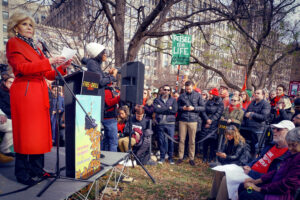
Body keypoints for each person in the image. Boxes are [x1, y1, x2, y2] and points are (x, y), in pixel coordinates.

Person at [6, 12, 72, 185]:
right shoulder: (14, 43)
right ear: (15, 27)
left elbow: (47, 72)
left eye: (31, 25)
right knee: (25, 134)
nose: (29, 28)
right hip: (26, 91)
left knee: (39, 134)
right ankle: (22, 173)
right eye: (25, 24)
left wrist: (62, 67)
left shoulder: (36, 47)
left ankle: (37, 168)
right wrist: (50, 60)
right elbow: (22, 67)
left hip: (39, 91)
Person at [208, 120, 294, 200]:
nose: (274, 131)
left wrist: (250, 172)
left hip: (257, 177)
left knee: (225, 179)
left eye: (279, 129)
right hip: (249, 169)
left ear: (289, 133)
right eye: (274, 128)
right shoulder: (271, 145)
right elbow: (258, 159)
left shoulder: (288, 154)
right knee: (219, 172)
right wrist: (248, 166)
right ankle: (212, 197)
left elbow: (272, 175)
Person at [238, 127, 300, 200]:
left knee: (247, 194)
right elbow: (277, 172)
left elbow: (287, 185)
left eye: (294, 145)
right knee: (243, 186)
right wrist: (256, 181)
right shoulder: (292, 154)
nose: (290, 148)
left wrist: (259, 189)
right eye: (289, 145)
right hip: (272, 186)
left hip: (280, 194)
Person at [85, 42, 118, 121]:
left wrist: (108, 75)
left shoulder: (95, 64)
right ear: (98, 54)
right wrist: (112, 77)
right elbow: (100, 82)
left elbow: (99, 78)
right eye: (104, 53)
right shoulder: (92, 64)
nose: (105, 54)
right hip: (95, 101)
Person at [177, 81, 205, 166]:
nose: (188, 90)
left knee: (192, 141)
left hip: (193, 120)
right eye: (186, 89)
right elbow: (177, 107)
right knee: (182, 140)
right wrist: (183, 108)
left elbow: (203, 108)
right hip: (183, 120)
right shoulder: (182, 96)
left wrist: (194, 108)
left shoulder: (198, 95)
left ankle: (191, 158)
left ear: (192, 87)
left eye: (189, 89)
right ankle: (180, 157)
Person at [241, 89, 271, 156]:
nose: (256, 94)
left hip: (258, 130)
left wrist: (252, 114)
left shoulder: (266, 104)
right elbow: (245, 113)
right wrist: (248, 115)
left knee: (256, 148)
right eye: (255, 93)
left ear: (263, 95)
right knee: (247, 147)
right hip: (248, 129)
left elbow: (264, 117)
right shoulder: (252, 103)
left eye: (258, 93)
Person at [153, 85, 178, 164]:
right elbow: (156, 109)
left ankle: (170, 158)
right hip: (160, 123)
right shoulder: (157, 100)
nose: (166, 91)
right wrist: (168, 108)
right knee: (161, 140)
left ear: (170, 91)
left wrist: (162, 108)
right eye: (165, 89)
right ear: (162, 90)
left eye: (168, 90)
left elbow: (174, 110)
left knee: (171, 141)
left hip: (170, 123)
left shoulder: (173, 100)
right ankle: (162, 157)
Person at [201, 88, 224, 163]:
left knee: (212, 142)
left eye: (211, 94)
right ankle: (204, 157)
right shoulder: (207, 102)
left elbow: (218, 113)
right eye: (209, 94)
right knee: (205, 141)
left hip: (214, 123)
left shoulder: (220, 103)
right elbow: (203, 111)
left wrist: (211, 120)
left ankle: (211, 157)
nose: (209, 95)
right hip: (206, 121)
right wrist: (207, 119)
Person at [102, 84, 120, 152]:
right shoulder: (107, 90)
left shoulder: (106, 89)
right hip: (109, 119)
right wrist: (118, 98)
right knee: (113, 142)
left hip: (108, 118)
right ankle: (113, 160)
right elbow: (109, 102)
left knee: (106, 141)